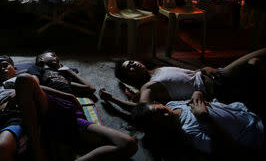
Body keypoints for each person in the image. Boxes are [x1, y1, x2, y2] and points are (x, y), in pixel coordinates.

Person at [15, 73, 138, 161]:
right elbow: (33, 85)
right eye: (51, 55)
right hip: (50, 105)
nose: (55, 57)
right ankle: (38, 149)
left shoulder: (64, 73)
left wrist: (68, 71)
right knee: (24, 79)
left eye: (56, 56)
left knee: (129, 144)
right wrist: (68, 95)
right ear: (41, 59)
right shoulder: (39, 70)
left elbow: (90, 88)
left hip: (72, 116)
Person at [110, 48, 266, 108]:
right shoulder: (149, 86)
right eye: (129, 69)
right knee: (255, 64)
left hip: (217, 74)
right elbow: (144, 108)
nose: (133, 66)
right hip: (217, 90)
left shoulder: (159, 68)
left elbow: (189, 74)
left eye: (131, 62)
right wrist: (113, 99)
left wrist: (204, 69)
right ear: (131, 79)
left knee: (257, 59)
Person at [130, 97, 264, 158]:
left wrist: (197, 94)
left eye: (160, 110)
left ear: (157, 103)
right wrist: (205, 118)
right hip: (255, 131)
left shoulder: (172, 104)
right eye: (161, 120)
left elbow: (196, 99)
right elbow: (230, 149)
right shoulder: (189, 132)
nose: (167, 114)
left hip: (243, 110)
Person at [26, 50, 96, 97]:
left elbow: (91, 89)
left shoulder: (64, 75)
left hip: (69, 104)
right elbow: (34, 86)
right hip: (50, 99)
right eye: (53, 55)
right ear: (41, 59)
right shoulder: (37, 68)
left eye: (56, 56)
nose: (56, 58)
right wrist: (66, 95)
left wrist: (70, 72)